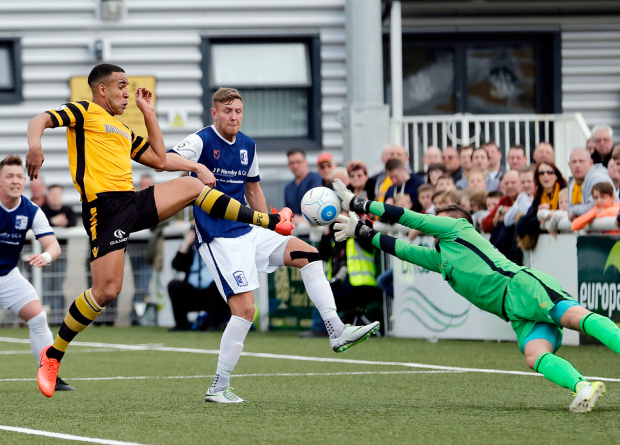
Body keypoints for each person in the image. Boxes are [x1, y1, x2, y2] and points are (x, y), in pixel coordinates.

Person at [27, 64, 293, 398]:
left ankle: (266, 221)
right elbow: (39, 119)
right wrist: (35, 145)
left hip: (132, 201)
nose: (127, 93)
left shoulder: (122, 128)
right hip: (104, 211)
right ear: (102, 90)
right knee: (107, 290)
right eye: (121, 86)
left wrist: (153, 118)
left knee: (192, 185)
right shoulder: (84, 111)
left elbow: (159, 159)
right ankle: (53, 355)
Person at [164, 88, 379, 403]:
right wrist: (197, 167)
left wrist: (270, 223)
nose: (233, 116)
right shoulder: (201, 140)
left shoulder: (248, 145)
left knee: (308, 254)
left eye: (238, 111)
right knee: (245, 311)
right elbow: (165, 158)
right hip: (218, 237)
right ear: (215, 113)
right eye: (227, 111)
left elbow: (253, 190)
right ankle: (219, 387)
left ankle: (336, 330)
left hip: (248, 229)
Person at [333, 180, 620, 413]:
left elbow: (410, 217)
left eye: (438, 218)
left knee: (576, 319)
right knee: (534, 356)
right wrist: (361, 231)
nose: (433, 222)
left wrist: (359, 203)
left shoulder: (458, 228)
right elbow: (404, 250)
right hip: (514, 312)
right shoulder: (442, 258)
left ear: (456, 220)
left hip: (523, 287)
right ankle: (583, 387)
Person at [0, 155, 74, 392]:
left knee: (39, 318)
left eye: (19, 176)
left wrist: (46, 256)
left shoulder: (31, 210)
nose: (15, 181)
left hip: (7, 276)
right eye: (9, 176)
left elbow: (54, 246)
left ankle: (51, 376)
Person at [168, 226, 230, 331]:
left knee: (218, 285)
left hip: (213, 294)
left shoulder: (217, 247)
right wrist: (186, 244)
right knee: (174, 285)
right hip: (193, 292)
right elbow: (176, 266)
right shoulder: (191, 250)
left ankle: (212, 324)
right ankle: (182, 324)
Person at [41, 184, 76, 317]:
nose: (56, 197)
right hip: (45, 254)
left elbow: (73, 223)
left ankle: (57, 316)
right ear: (48, 196)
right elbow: (38, 223)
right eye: (53, 194)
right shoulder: (42, 210)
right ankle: (43, 315)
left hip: (61, 255)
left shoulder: (68, 210)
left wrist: (63, 223)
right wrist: (52, 221)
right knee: (45, 284)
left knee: (58, 284)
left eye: (58, 194)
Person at [516, 162, 567, 250]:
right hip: (547, 247)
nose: (545, 176)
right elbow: (521, 226)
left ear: (556, 176)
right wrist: (538, 218)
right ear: (538, 178)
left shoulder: (565, 192)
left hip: (565, 242)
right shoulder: (539, 195)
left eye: (549, 172)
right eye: (541, 173)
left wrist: (547, 215)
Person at [566, 148, 614, 221]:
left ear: (591, 163)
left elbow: (594, 206)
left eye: (581, 161)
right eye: (574, 162)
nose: (577, 165)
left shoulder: (597, 177)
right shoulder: (572, 181)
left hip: (607, 225)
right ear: (569, 165)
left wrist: (573, 210)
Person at [284, 148, 323, 225]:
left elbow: (317, 204)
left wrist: (303, 218)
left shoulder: (315, 178)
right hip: (294, 226)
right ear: (288, 165)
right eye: (292, 163)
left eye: (298, 162)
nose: (295, 166)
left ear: (306, 163)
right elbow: (287, 212)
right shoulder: (288, 188)